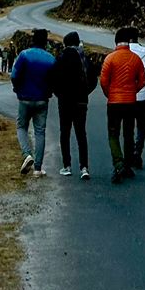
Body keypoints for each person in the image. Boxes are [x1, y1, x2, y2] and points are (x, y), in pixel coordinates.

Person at [99, 28, 145, 183]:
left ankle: (118, 163)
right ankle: (127, 165)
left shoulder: (110, 59)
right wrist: (133, 90)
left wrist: (109, 94)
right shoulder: (136, 59)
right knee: (128, 134)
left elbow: (104, 81)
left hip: (114, 102)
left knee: (113, 134)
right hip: (130, 102)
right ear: (129, 42)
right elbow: (143, 80)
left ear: (116, 42)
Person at [10, 28, 56, 176]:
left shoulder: (24, 55)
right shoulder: (51, 59)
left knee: (21, 127)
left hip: (24, 98)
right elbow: (54, 81)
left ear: (33, 39)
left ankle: (26, 154)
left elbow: (14, 74)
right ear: (45, 42)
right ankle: (38, 168)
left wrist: (17, 89)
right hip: (42, 99)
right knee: (40, 132)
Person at [50, 30, 94, 179]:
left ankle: (66, 166)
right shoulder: (84, 58)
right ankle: (84, 167)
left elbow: (53, 80)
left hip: (65, 101)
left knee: (65, 132)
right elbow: (93, 79)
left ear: (65, 44)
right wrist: (85, 92)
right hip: (81, 100)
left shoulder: (61, 58)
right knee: (81, 134)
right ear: (78, 42)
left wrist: (59, 94)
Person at [126, 27, 145, 168]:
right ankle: (138, 152)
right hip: (141, 95)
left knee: (128, 125)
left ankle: (129, 152)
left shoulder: (125, 52)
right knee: (142, 125)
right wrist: (143, 85)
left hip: (127, 94)